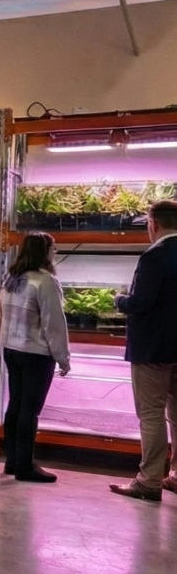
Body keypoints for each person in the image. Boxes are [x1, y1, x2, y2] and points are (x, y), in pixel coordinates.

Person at [109, 200, 177, 502]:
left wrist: (120, 299)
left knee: (151, 415)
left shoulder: (155, 256)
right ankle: (174, 474)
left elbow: (141, 303)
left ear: (154, 224)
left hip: (153, 349)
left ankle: (149, 480)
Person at [0, 231, 71, 483]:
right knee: (30, 410)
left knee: (16, 405)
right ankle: (25, 466)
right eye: (53, 248)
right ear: (44, 252)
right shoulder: (45, 281)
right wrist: (63, 357)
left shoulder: (12, 279)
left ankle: (12, 460)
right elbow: (54, 324)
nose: (55, 252)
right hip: (36, 354)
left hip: (12, 349)